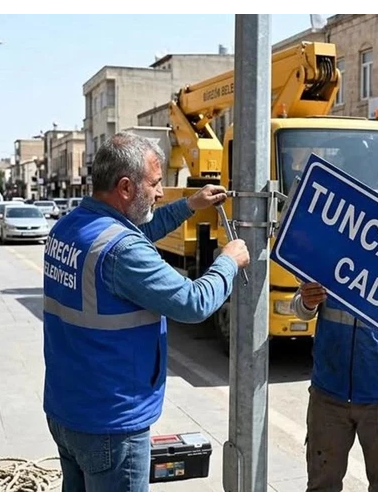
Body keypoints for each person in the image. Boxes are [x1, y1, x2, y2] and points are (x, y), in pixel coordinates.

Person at [42, 133, 250, 492]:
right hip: (112, 424)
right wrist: (228, 263)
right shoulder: (123, 252)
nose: (159, 193)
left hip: (67, 410)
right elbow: (193, 302)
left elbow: (134, 233)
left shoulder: (69, 227)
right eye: (155, 185)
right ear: (125, 187)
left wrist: (189, 204)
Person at [291, 281, 378, 492]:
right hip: (328, 394)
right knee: (321, 486)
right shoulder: (331, 250)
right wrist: (306, 302)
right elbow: (300, 307)